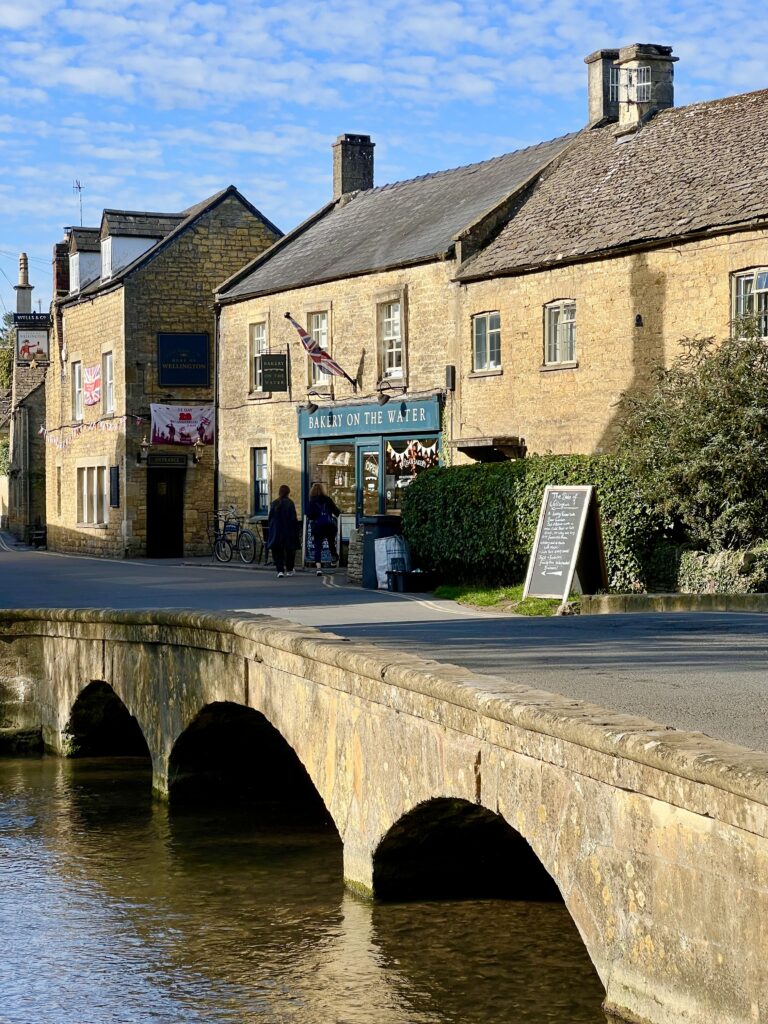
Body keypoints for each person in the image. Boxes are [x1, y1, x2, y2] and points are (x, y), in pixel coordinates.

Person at [307, 482, 341, 575]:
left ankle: (318, 568)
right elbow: (337, 512)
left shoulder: (312, 501)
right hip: (329, 526)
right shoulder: (328, 500)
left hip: (318, 527)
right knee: (331, 543)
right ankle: (334, 557)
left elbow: (309, 515)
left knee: (318, 546)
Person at [267, 484, 299, 578]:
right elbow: (293, 518)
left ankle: (280, 570)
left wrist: (272, 528)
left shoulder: (274, 503)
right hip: (288, 531)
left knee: (277, 551)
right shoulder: (290, 503)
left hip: (277, 531)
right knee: (289, 551)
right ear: (288, 493)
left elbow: (270, 518)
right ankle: (289, 570)